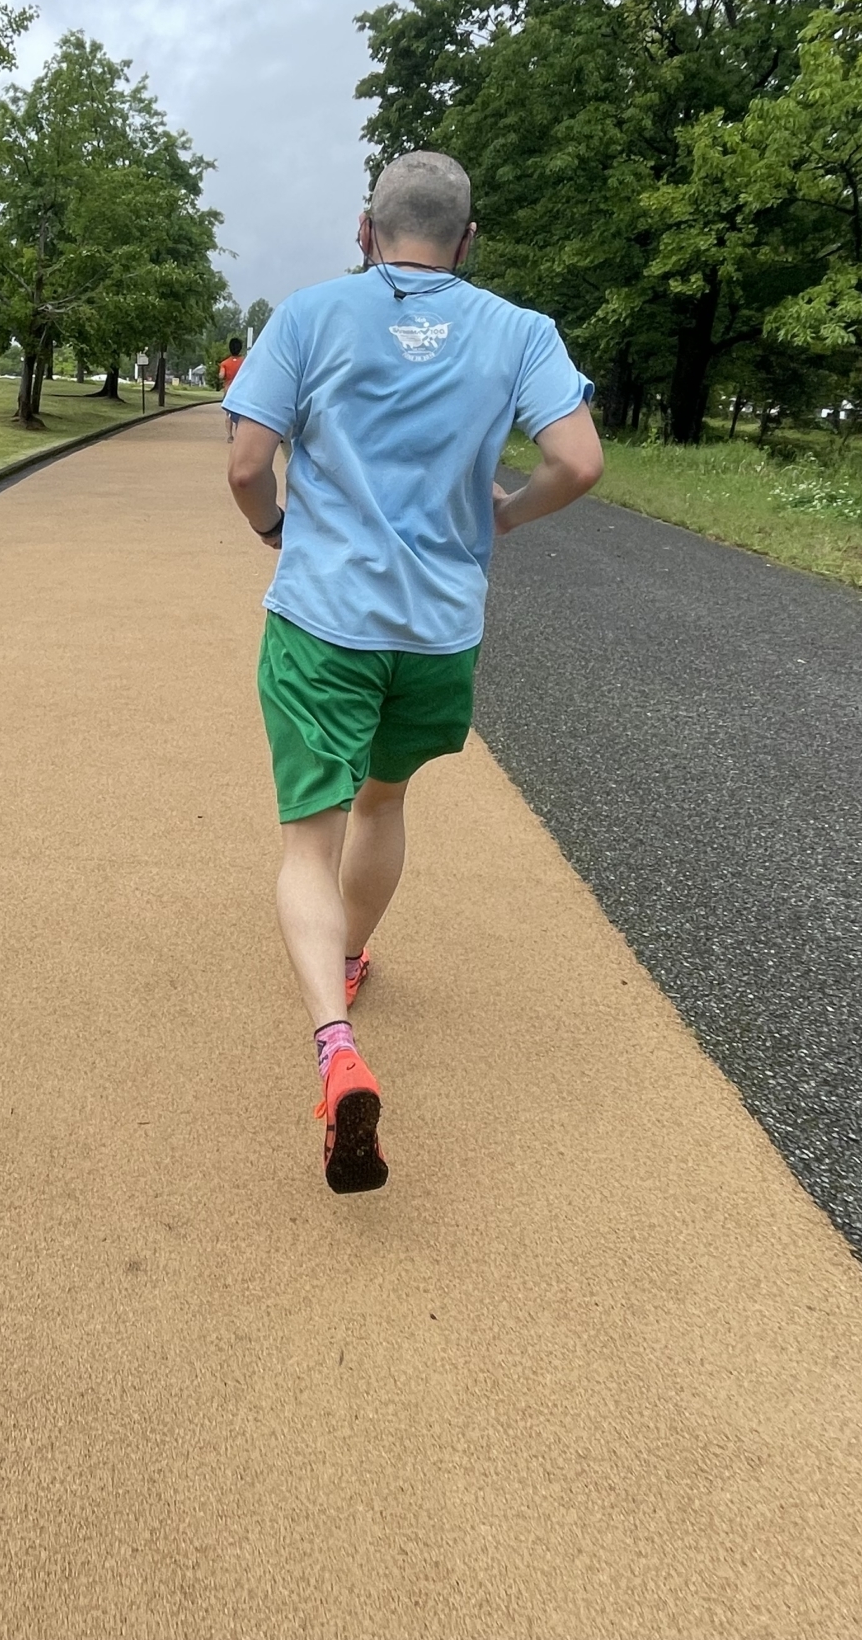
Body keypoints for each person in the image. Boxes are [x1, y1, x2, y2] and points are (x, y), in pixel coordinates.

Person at [222, 151, 603, 1193]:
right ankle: (349, 958)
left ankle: (334, 1044)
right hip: (435, 632)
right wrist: (505, 515)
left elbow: (248, 466)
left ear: (364, 231)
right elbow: (578, 461)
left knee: (311, 836)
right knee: (384, 803)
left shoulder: (306, 317)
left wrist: (274, 533)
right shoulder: (520, 333)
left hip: (322, 621)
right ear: (467, 241)